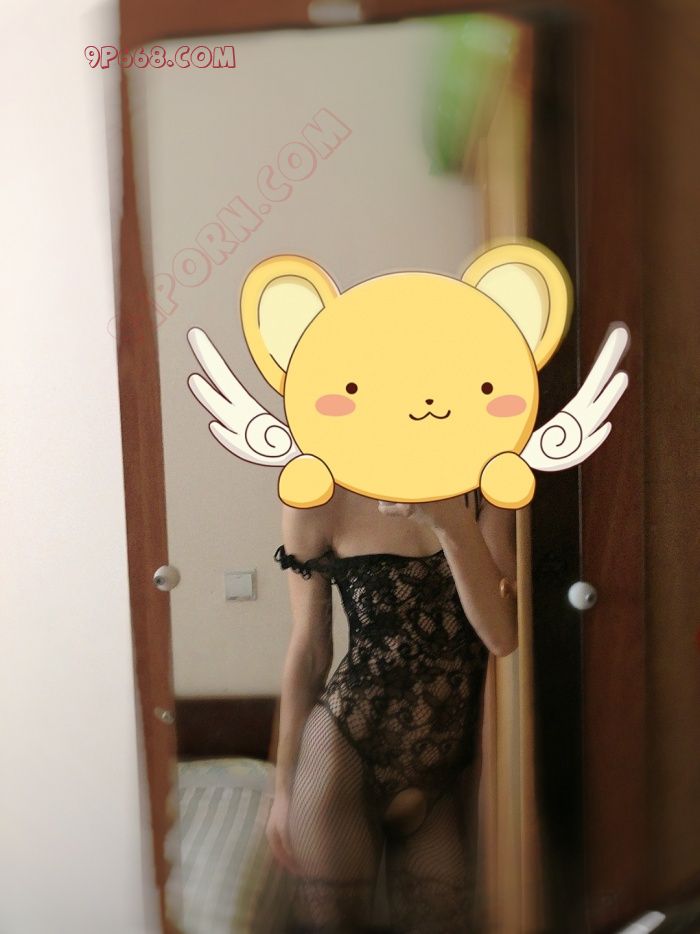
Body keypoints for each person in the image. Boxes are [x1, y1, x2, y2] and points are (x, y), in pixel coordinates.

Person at [266, 485, 517, 934]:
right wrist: (283, 789)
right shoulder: (317, 494)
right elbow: (309, 650)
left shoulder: (488, 484)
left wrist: (449, 523)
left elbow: (502, 635)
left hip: (442, 768)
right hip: (343, 754)